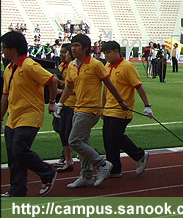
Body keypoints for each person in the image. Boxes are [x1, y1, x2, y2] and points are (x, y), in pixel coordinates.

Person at [56, 34, 129, 189]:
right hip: (78, 108)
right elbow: (69, 87)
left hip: (91, 109)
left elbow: (108, 84)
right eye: (72, 45)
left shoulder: (95, 64)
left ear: (86, 48)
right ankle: (87, 175)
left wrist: (120, 101)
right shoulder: (72, 66)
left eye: (76, 46)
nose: (73, 49)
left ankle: (102, 164)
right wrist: (60, 104)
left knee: (74, 141)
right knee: (83, 142)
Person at [0, 31, 59, 197]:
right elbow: (5, 95)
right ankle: (17, 189)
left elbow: (52, 80)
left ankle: (47, 172)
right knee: (13, 155)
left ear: (15, 49)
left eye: (5, 47)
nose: (3, 50)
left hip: (30, 114)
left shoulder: (28, 65)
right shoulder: (9, 69)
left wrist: (52, 102)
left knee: (19, 149)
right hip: (13, 117)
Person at [101, 40, 153, 178]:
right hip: (108, 109)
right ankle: (115, 169)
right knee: (108, 138)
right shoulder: (107, 66)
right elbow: (105, 89)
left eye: (108, 53)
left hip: (122, 109)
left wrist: (147, 105)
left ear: (117, 51)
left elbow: (138, 86)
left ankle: (139, 155)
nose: (106, 56)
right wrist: (102, 106)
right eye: (104, 53)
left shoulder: (127, 67)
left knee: (114, 137)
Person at [53, 43, 76, 173]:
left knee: (68, 133)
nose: (61, 55)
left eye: (64, 52)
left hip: (72, 104)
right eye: (60, 52)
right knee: (60, 129)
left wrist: (59, 87)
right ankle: (67, 155)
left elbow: (74, 89)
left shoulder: (73, 68)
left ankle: (68, 159)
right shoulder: (62, 67)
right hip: (63, 103)